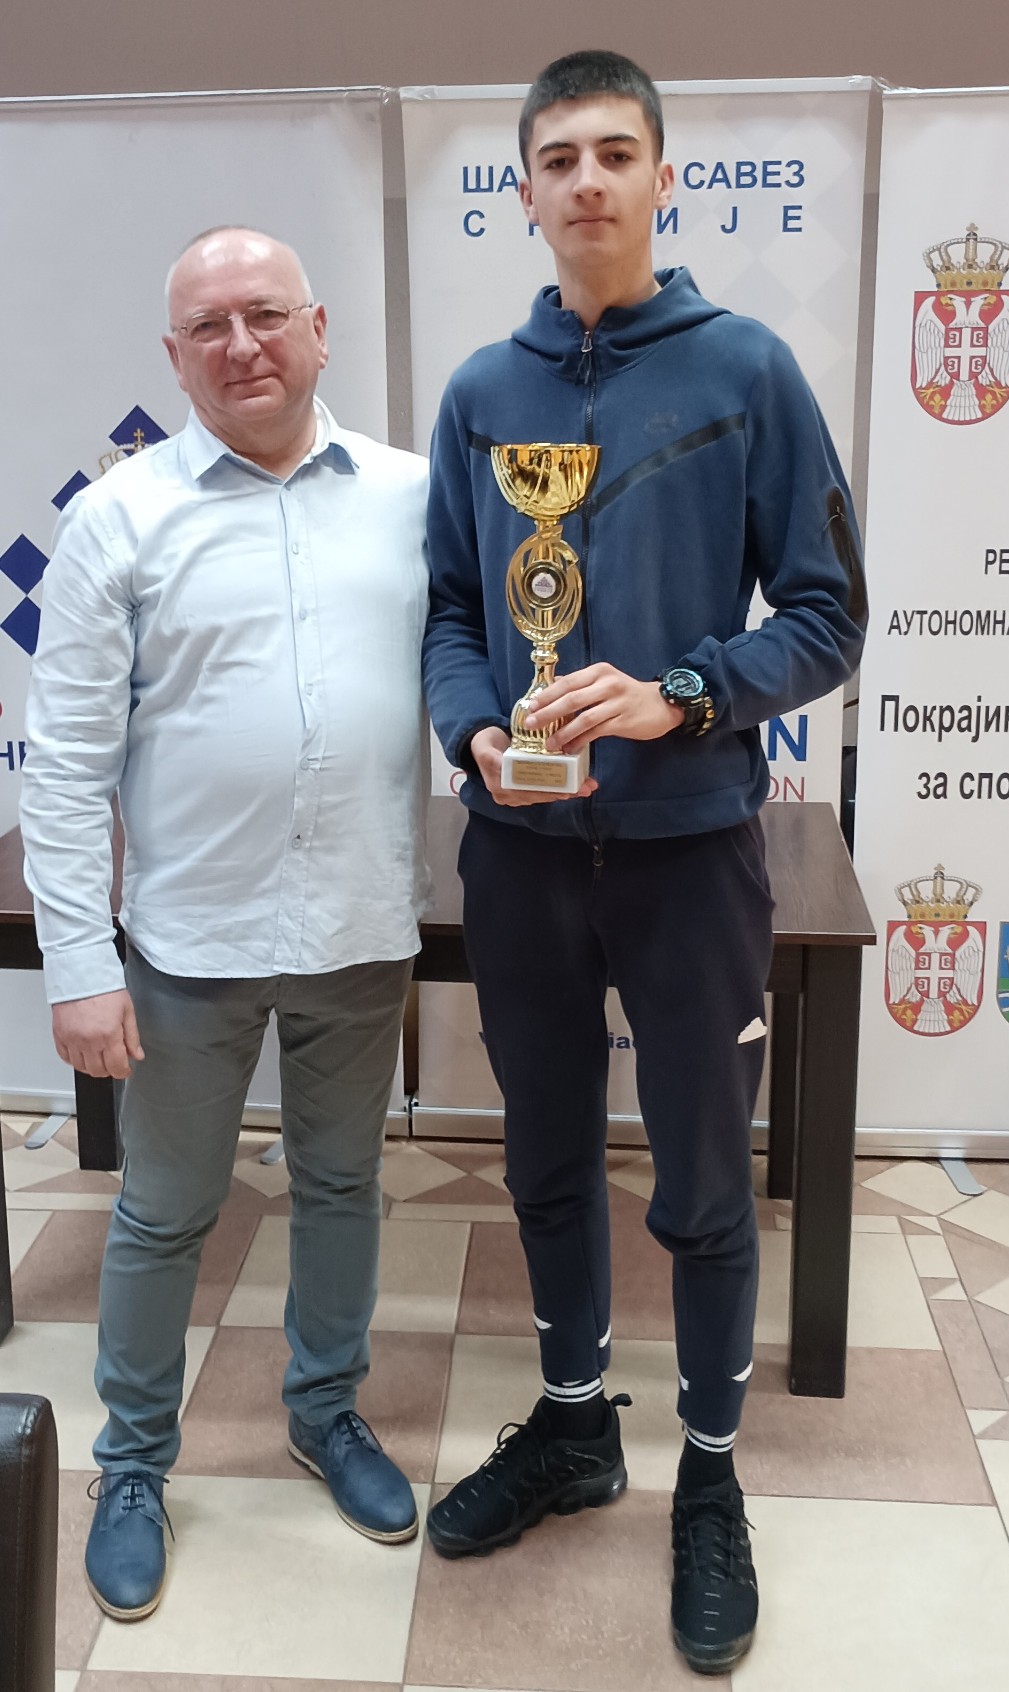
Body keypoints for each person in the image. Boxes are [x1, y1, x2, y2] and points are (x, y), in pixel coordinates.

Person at [422, 50, 866, 1676]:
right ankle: (571, 1425)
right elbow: (453, 611)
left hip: (689, 854)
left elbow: (828, 616)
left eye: (618, 153)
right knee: (544, 1153)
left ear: (665, 179)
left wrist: (684, 690)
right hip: (522, 851)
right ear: (524, 189)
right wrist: (476, 727)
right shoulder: (485, 393)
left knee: (700, 1181)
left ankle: (712, 1476)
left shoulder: (746, 369)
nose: (589, 181)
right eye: (560, 158)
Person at [20, 226, 430, 1621]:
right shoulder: (118, 518)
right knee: (164, 1212)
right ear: (174, 356)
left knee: (342, 1188)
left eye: (266, 315)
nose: (241, 345)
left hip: (360, 928)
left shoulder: (412, 497)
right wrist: (80, 967)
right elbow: (64, 767)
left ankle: (325, 1412)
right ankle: (134, 1464)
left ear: (319, 330)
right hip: (189, 943)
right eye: (209, 326)